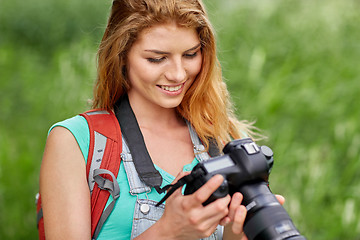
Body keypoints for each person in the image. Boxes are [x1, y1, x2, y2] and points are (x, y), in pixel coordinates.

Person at [39, 0, 284, 239]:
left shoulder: (221, 138)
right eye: (157, 58)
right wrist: (169, 231)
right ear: (121, 55)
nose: (178, 74)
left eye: (190, 54)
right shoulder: (75, 142)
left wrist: (236, 234)